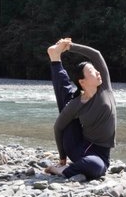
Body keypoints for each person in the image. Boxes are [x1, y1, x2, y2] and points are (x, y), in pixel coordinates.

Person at [46, 38, 116, 179]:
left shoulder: (105, 88)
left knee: (97, 167)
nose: (97, 73)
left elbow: (96, 54)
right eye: (92, 71)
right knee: (95, 167)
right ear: (82, 82)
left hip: (102, 153)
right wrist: (62, 157)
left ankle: (55, 58)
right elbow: (58, 127)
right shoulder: (77, 103)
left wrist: (69, 46)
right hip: (77, 148)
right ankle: (62, 170)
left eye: (96, 70)